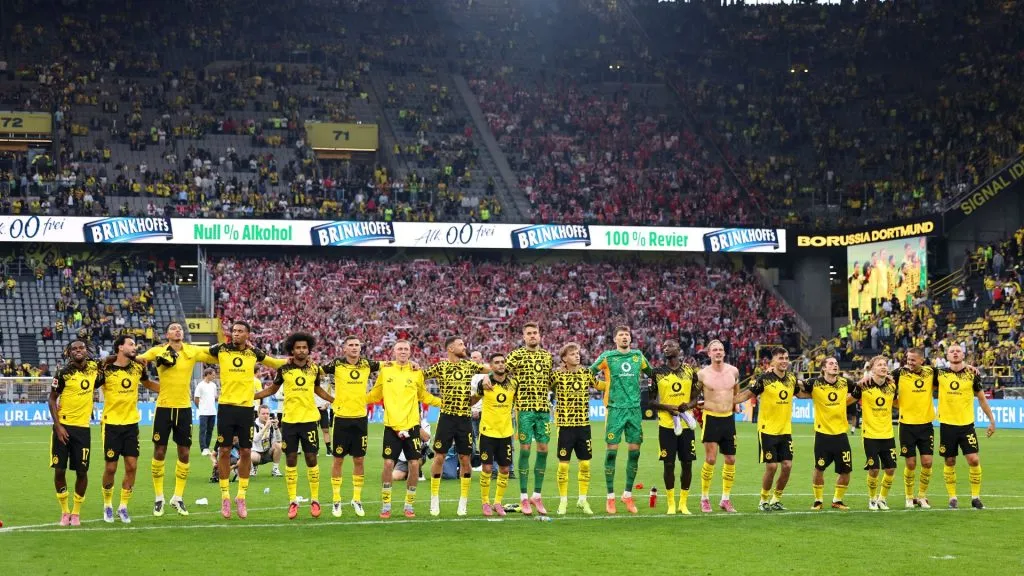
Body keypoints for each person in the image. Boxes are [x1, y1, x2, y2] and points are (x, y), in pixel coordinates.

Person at [208, 321, 288, 519]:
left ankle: (241, 497)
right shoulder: (222, 349)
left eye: (240, 331)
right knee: (224, 450)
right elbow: (199, 354)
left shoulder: (254, 353)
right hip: (226, 407)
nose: (235, 334)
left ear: (247, 334)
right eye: (234, 331)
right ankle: (225, 497)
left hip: (246, 409)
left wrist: (291, 360)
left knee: (245, 451)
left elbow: (273, 362)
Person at [136, 322, 216, 517]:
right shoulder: (158, 351)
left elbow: (213, 355)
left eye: (179, 328)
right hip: (163, 408)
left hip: (184, 408)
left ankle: (177, 497)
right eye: (173, 328)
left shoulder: (192, 350)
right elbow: (138, 360)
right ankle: (159, 497)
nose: (177, 330)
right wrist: (139, 362)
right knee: (159, 450)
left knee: (184, 452)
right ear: (167, 334)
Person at [254, 332, 334, 519]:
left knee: (311, 458)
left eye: (304, 347)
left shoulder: (314, 368)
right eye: (298, 347)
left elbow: (318, 389)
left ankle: (315, 500)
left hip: (309, 420)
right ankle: (293, 501)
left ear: (309, 349)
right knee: (290, 459)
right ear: (292, 349)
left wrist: (334, 400)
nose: (301, 350)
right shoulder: (284, 369)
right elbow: (272, 389)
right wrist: (253, 396)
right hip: (289, 421)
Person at [366, 340, 442, 519]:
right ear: (394, 351)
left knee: (414, 464)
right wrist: (354, 400)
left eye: (405, 349)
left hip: (412, 426)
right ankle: (386, 505)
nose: (402, 351)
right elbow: (375, 394)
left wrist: (443, 402)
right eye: (399, 348)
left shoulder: (416, 372)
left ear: (410, 352)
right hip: (392, 427)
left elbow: (423, 395)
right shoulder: (386, 371)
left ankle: (409, 505)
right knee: (388, 464)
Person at [589, 325, 653, 514]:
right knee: (611, 453)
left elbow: (653, 375)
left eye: (627, 335)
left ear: (630, 338)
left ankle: (627, 494)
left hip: (634, 410)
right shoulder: (607, 357)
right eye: (621, 335)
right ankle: (610, 497)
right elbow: (589, 373)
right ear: (615, 339)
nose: (624, 337)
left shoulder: (638, 357)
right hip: (615, 409)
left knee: (634, 452)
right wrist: (603, 386)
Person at [424, 336, 488, 517]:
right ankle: (434, 499)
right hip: (446, 418)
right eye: (461, 344)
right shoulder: (440, 366)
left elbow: (490, 370)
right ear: (450, 348)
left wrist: (488, 377)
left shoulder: (469, 365)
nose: (464, 347)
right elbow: (419, 376)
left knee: (465, 459)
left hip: (464, 419)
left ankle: (463, 501)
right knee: (439, 457)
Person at [99, 335, 159, 524]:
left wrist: (170, 389)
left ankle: (123, 507)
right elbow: (88, 386)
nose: (135, 347)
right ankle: (107, 504)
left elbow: (147, 383)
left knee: (132, 466)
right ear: (120, 347)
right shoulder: (105, 369)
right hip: (111, 424)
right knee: (111, 468)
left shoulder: (138, 367)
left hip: (131, 424)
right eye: (131, 344)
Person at [321, 336, 380, 517]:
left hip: (360, 419)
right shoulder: (337, 364)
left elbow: (388, 366)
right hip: (341, 419)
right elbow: (315, 372)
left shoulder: (367, 364)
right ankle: (336, 499)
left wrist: (410, 364)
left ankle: (357, 499)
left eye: (357, 345)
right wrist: (330, 399)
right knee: (338, 459)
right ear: (344, 348)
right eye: (351, 345)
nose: (354, 348)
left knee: (359, 460)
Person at [735, 347, 798, 512]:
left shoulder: (792, 378)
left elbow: (803, 392)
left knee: (787, 466)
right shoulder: (764, 379)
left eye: (786, 358)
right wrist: (727, 401)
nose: (784, 361)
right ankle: (763, 500)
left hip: (785, 430)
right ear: (773, 361)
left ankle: (776, 499)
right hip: (767, 429)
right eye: (780, 358)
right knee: (772, 467)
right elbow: (747, 394)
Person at [48, 340, 102, 527]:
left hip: (83, 429)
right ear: (69, 352)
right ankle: (65, 512)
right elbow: (52, 399)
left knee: (82, 471)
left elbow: (111, 361)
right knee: (60, 470)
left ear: (86, 351)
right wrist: (58, 426)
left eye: (81, 348)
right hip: (63, 427)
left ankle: (76, 513)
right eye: (74, 349)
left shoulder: (94, 368)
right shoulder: (62, 373)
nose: (78, 351)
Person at [938, 344, 996, 509]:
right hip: (947, 425)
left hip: (966, 425)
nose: (955, 353)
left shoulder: (972, 374)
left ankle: (975, 497)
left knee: (974, 459)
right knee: (950, 461)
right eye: (952, 351)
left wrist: (992, 421)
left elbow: (982, 399)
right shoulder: (939, 374)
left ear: (963, 355)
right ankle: (952, 497)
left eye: (958, 351)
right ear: (947, 356)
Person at [504, 322, 554, 515]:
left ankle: (537, 496)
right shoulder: (516, 355)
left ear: (540, 335)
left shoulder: (547, 356)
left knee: (543, 449)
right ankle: (524, 497)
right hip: (524, 409)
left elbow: (550, 381)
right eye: (529, 333)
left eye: (535, 332)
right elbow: (502, 373)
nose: (533, 335)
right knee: (525, 450)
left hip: (543, 410)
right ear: (524, 337)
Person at [647, 340, 699, 515]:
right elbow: (650, 401)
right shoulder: (656, 373)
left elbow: (696, 397)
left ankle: (683, 504)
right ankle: (671, 503)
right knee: (668, 464)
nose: (665, 348)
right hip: (666, 425)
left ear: (678, 349)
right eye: (664, 347)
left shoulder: (690, 370)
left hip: (686, 425)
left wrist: (688, 405)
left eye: (669, 346)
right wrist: (667, 407)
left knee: (687, 464)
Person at [802, 357, 855, 511]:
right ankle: (818, 500)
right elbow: (798, 388)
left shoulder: (846, 382)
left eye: (836, 363)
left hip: (841, 434)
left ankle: (837, 500)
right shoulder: (814, 383)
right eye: (831, 363)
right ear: (824, 368)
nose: (835, 365)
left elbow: (859, 391)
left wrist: (845, 402)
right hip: (822, 435)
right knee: (819, 468)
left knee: (846, 470)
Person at [551, 342, 598, 515]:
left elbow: (599, 385)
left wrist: (613, 379)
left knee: (585, 464)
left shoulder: (586, 373)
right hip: (565, 426)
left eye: (577, 353)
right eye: (572, 354)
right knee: (563, 466)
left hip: (583, 425)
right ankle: (563, 501)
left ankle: (582, 500)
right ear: (564, 358)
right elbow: (541, 388)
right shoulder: (556, 375)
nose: (577, 356)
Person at [694, 340, 740, 514]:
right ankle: (704, 498)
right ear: (709, 353)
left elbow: (736, 389)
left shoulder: (733, 371)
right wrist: (696, 405)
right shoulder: (702, 374)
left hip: (728, 419)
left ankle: (725, 499)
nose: (718, 352)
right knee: (711, 459)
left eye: (720, 349)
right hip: (711, 418)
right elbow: (693, 395)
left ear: (724, 352)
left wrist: (735, 404)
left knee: (731, 459)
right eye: (715, 350)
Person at [890, 347, 939, 509]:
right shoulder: (899, 373)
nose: (909, 362)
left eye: (913, 360)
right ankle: (909, 497)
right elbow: (883, 385)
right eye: (908, 359)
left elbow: (952, 374)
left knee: (927, 462)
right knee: (910, 464)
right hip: (906, 425)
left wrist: (970, 368)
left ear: (921, 360)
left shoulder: (932, 372)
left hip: (926, 425)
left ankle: (922, 496)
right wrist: (900, 405)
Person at [851, 356, 898, 511]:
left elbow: (896, 402)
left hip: (888, 434)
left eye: (885, 364)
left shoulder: (892, 386)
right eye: (879, 365)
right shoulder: (864, 386)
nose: (883, 367)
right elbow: (849, 399)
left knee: (890, 469)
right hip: (870, 434)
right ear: (872, 369)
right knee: (874, 469)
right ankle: (872, 498)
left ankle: (882, 499)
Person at [475, 353, 516, 517]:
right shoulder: (484, 383)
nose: (500, 364)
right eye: (497, 362)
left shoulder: (513, 383)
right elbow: (473, 400)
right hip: (487, 432)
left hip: (505, 433)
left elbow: (518, 404)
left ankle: (498, 502)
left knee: (505, 469)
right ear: (491, 366)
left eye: (502, 362)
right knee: (487, 468)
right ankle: (485, 502)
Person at [251, 405, 282, 476]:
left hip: (267, 452)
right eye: (263, 414)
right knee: (251, 456)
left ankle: (275, 469)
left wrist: (276, 427)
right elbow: (255, 439)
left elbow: (279, 439)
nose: (266, 416)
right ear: (258, 414)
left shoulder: (271, 424)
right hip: (256, 453)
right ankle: (253, 467)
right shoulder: (254, 424)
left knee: (279, 445)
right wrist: (265, 427)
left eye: (267, 414)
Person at [193, 369, 218, 456]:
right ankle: (203, 448)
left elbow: (215, 397)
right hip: (203, 412)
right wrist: (200, 408)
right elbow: (196, 399)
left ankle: (207, 447)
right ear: (208, 374)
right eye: (213, 375)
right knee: (203, 430)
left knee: (210, 430)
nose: (214, 376)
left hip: (212, 412)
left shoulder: (213, 385)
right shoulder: (200, 385)